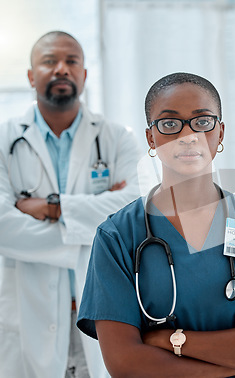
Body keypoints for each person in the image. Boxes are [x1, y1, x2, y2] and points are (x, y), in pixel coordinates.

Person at [77, 72, 235, 377]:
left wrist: (170, 341)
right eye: (170, 123)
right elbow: (126, 364)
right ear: (151, 138)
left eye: (202, 121)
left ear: (220, 133)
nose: (188, 135)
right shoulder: (117, 237)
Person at [0, 31, 141, 377]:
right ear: (32, 76)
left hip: (100, 311)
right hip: (26, 310)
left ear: (84, 75)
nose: (61, 68)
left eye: (72, 61)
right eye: (50, 61)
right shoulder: (5, 140)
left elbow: (135, 211)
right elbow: (3, 228)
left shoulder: (116, 138)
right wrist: (94, 227)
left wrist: (51, 209)